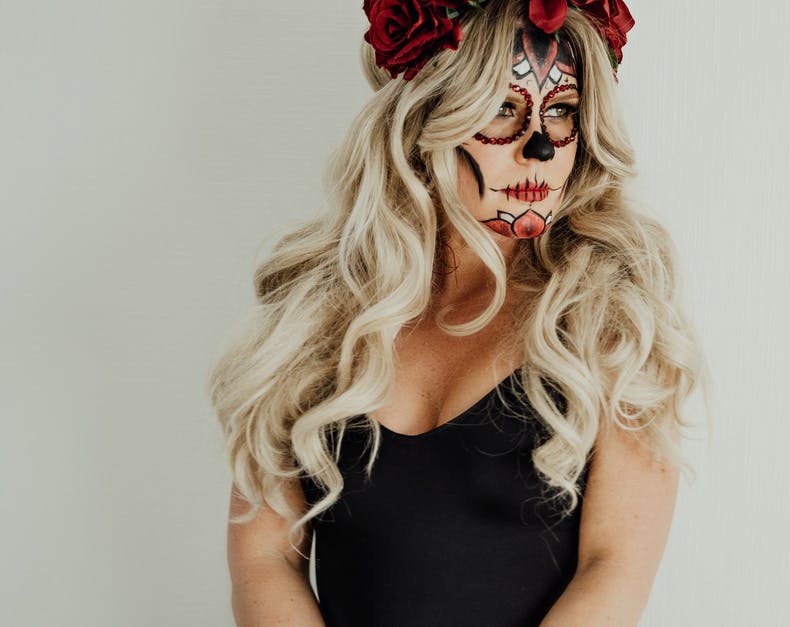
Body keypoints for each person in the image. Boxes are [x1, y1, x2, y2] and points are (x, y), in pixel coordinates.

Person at [208, 0, 711, 625]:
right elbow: (264, 559)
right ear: (426, 121)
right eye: (503, 108)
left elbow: (614, 568)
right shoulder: (319, 316)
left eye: (560, 112)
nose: (539, 148)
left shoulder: (611, 323)